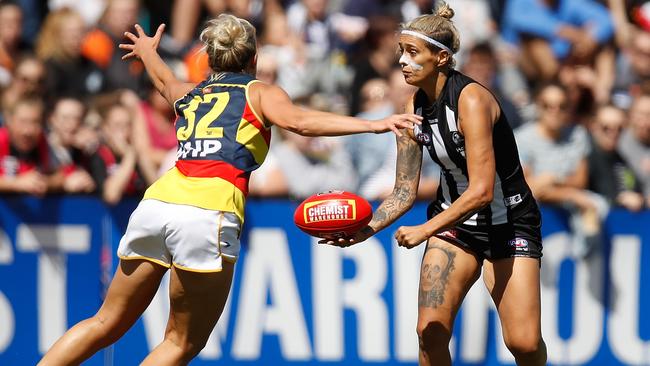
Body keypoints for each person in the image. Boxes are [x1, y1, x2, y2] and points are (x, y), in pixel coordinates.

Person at [38, 13, 421, 365]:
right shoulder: (260, 92)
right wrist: (373, 124)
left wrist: (148, 52)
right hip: (208, 211)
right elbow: (300, 122)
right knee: (181, 342)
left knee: (105, 321)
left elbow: (162, 80)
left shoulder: (191, 92)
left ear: (211, 60)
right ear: (252, 58)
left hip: (156, 202)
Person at [324, 3, 547, 365]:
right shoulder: (415, 104)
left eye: (413, 52)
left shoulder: (472, 100)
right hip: (455, 223)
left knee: (522, 342)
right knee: (430, 331)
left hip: (509, 223)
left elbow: (481, 191)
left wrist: (424, 230)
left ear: (441, 58)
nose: (402, 61)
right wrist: (366, 229)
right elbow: (403, 190)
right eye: (401, 52)